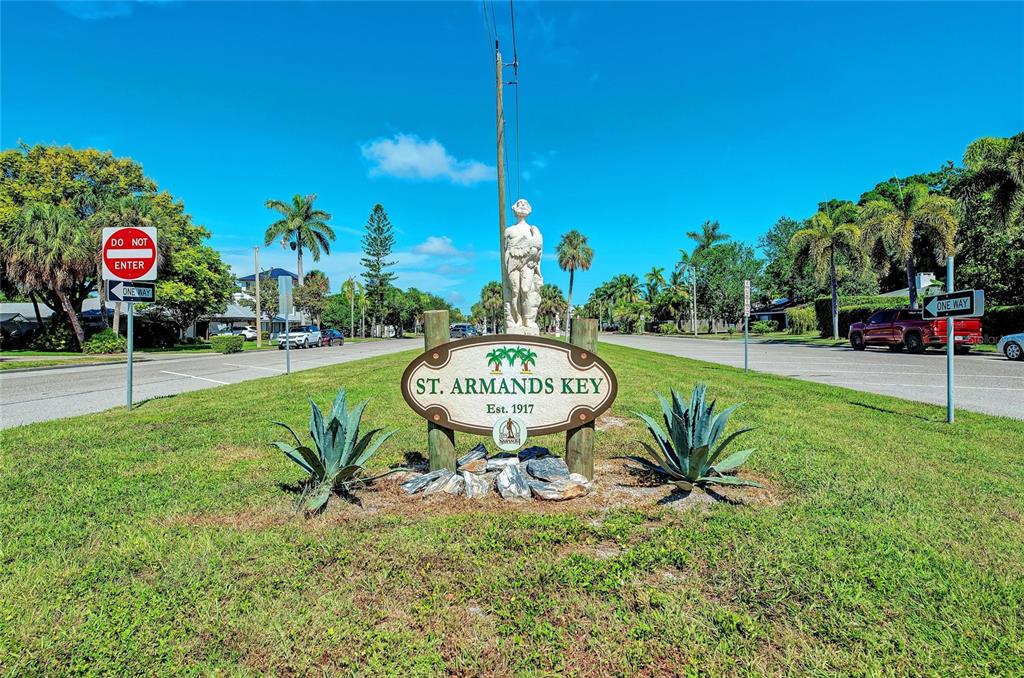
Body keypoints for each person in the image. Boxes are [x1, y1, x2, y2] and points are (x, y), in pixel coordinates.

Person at [503, 198, 543, 334]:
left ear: (529, 209)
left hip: (529, 263)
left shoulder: (533, 229)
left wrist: (535, 259)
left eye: (525, 204)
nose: (522, 206)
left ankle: (529, 320)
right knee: (515, 291)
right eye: (520, 204)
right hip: (513, 262)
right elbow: (505, 249)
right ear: (514, 208)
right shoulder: (509, 230)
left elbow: (539, 249)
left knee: (525, 290)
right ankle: (516, 320)